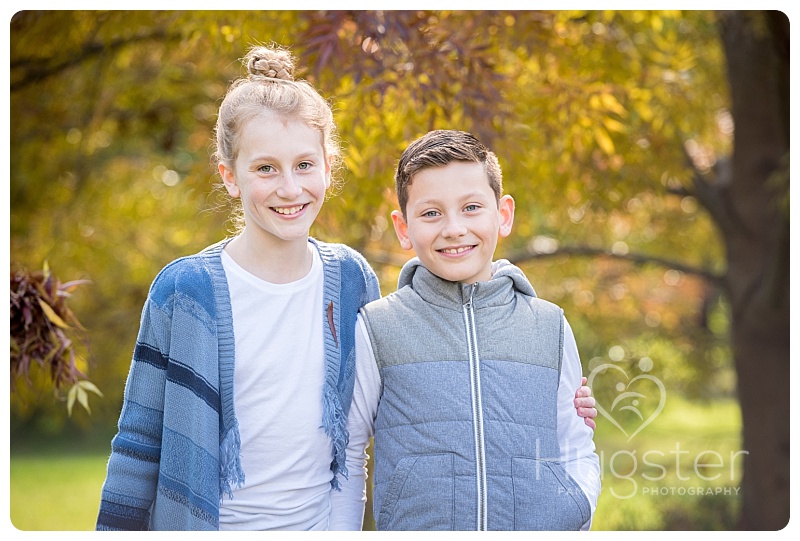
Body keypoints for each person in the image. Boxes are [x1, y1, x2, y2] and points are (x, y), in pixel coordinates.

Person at [95, 46, 597, 531]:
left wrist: (547, 403)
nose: (290, 188)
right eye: (265, 168)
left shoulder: (349, 278)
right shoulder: (185, 291)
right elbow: (139, 442)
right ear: (230, 176)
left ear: (327, 169)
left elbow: (400, 394)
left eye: (304, 165)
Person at [348, 129, 602, 530]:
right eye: (431, 213)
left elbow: (575, 443)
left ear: (502, 215)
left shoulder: (548, 325)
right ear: (402, 226)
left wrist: (576, 507)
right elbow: (348, 452)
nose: (453, 228)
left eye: (471, 208)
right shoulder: (379, 327)